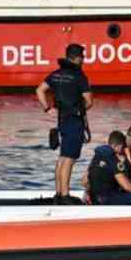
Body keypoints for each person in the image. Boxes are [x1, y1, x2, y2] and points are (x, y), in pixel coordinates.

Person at [36, 43, 93, 204]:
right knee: (69, 158)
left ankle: (59, 193)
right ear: (76, 58)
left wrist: (48, 108)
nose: (84, 59)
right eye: (82, 56)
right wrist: (81, 110)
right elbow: (89, 101)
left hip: (62, 120)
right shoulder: (79, 76)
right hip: (74, 120)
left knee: (62, 157)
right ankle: (65, 195)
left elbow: (39, 90)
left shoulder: (56, 74)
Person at [86, 131, 131, 205]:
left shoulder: (97, 156)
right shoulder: (113, 158)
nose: (122, 150)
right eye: (123, 148)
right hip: (106, 199)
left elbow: (84, 181)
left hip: (94, 198)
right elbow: (126, 186)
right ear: (119, 146)